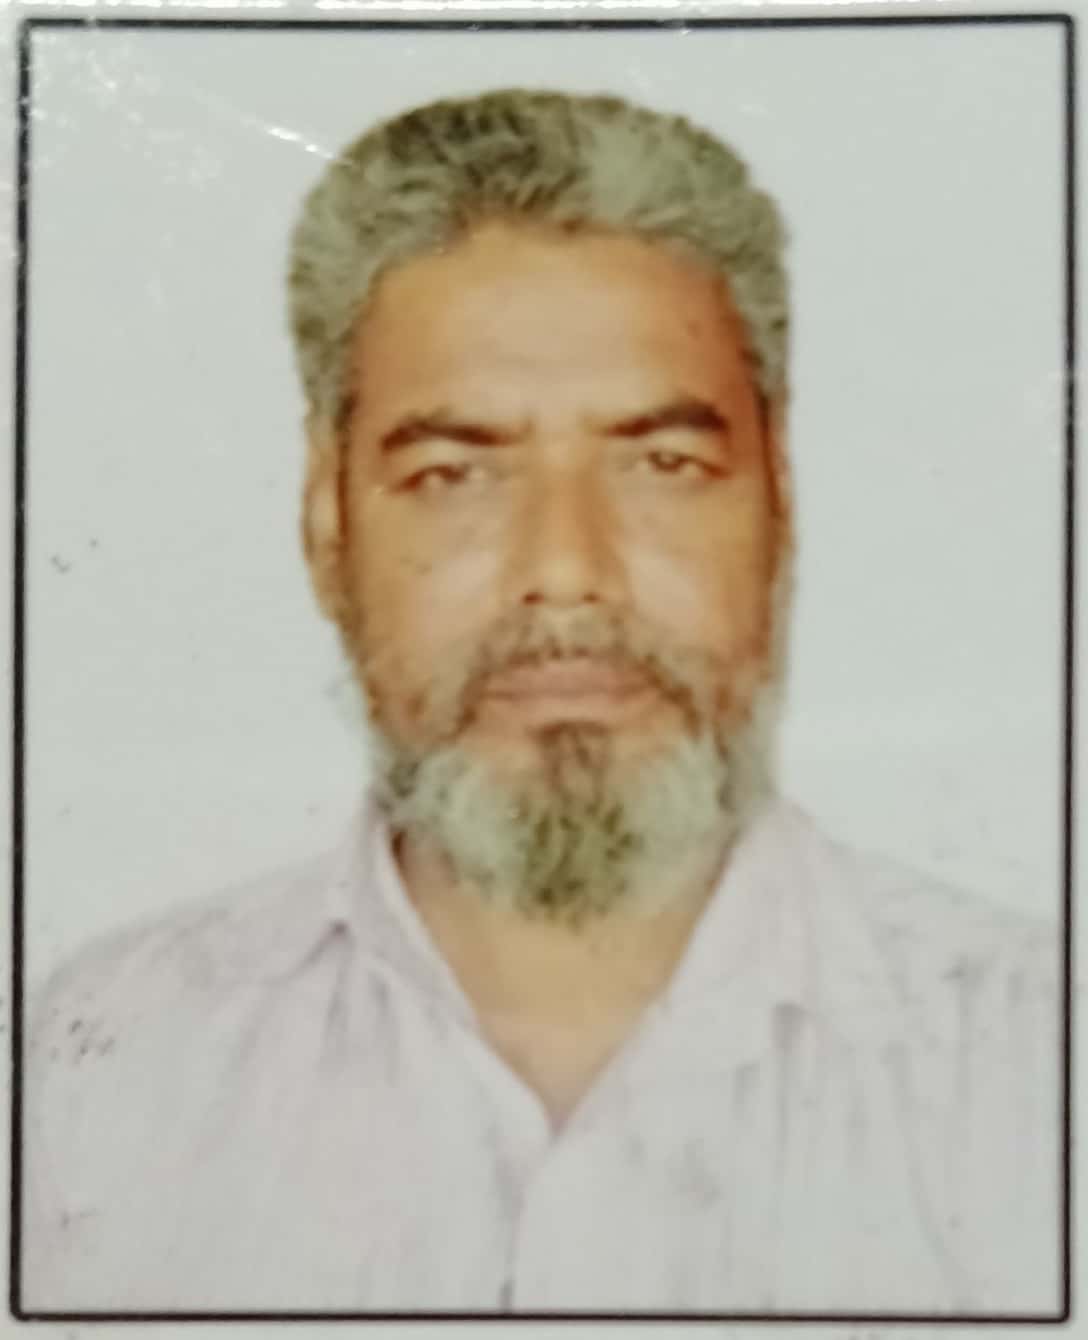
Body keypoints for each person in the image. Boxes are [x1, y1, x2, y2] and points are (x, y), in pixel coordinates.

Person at [23, 88, 1060, 1315]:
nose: (565, 569)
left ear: (780, 503)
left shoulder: (1035, 1073)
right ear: (325, 522)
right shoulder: (94, 1079)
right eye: (453, 472)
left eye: (661, 463)